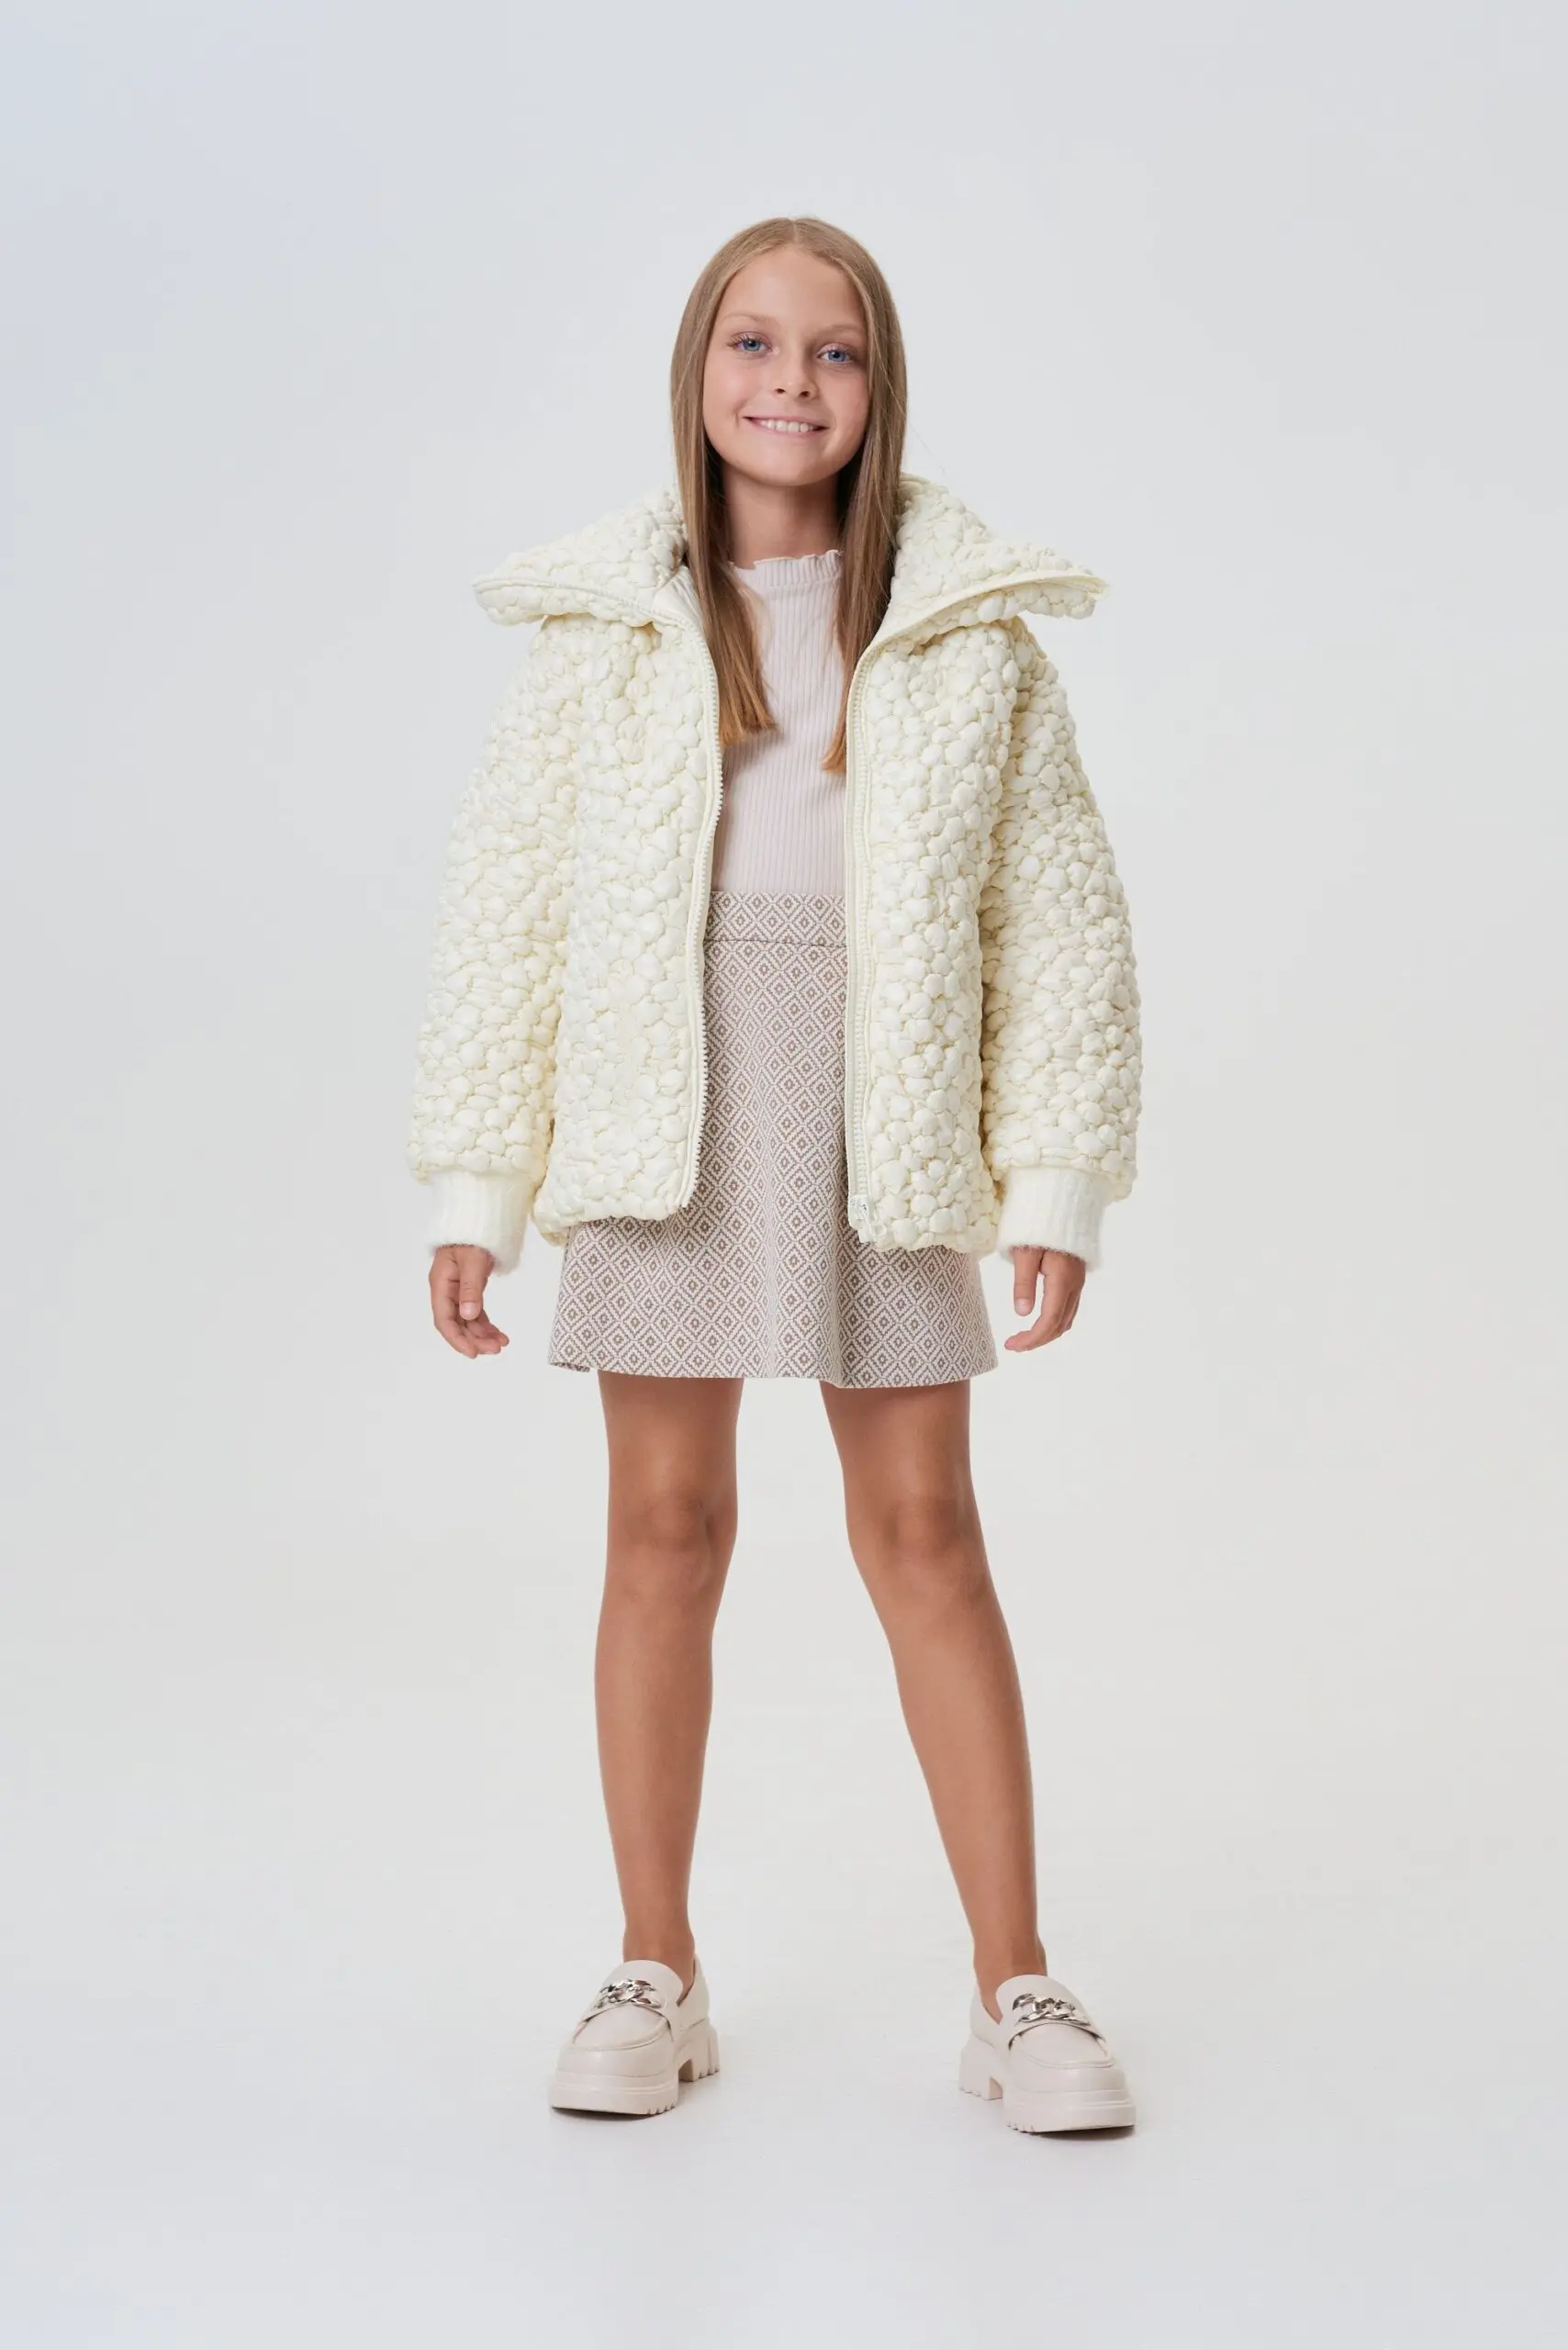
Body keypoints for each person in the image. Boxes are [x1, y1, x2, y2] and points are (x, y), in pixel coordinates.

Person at [407, 216, 1143, 2135]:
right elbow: (509, 913)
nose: (789, 382)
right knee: (664, 1529)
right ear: (698, 369)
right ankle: (654, 1965)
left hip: (881, 1108)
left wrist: (1051, 1181)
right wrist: (479, 1190)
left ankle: (1016, 1982)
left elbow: (1056, 922)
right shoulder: (607, 635)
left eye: (834, 351)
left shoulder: (967, 640)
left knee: (927, 1534)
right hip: (666, 1096)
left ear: (877, 388)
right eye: (753, 342)